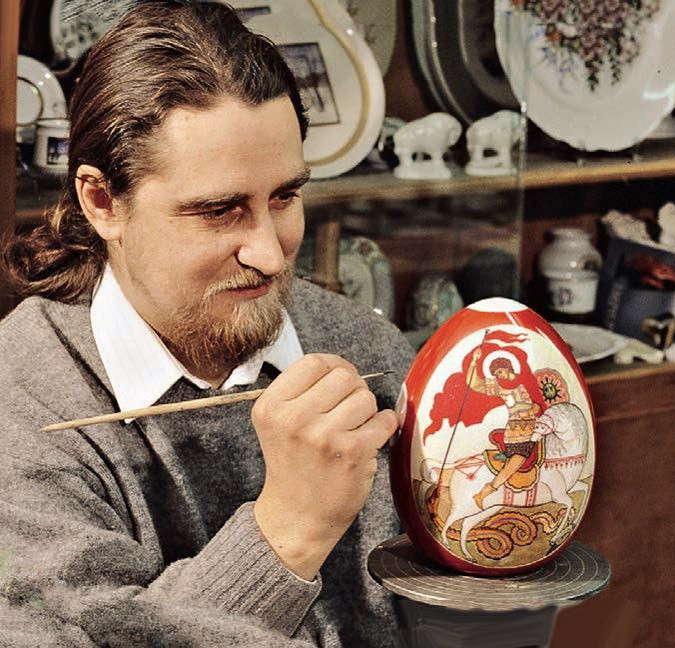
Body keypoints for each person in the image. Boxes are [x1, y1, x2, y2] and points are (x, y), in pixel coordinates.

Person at [0, 3, 414, 646]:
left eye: (285, 197)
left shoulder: (366, 349)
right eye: (219, 211)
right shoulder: (21, 398)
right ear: (102, 201)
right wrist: (290, 529)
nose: (271, 256)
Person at [465, 349, 542, 509]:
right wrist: (474, 361)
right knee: (516, 462)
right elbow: (474, 384)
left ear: (508, 367)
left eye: (500, 371)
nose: (499, 375)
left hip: (536, 427)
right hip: (517, 431)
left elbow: (538, 402)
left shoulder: (527, 379)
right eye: (496, 373)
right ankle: (484, 492)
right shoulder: (499, 386)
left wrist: (535, 408)